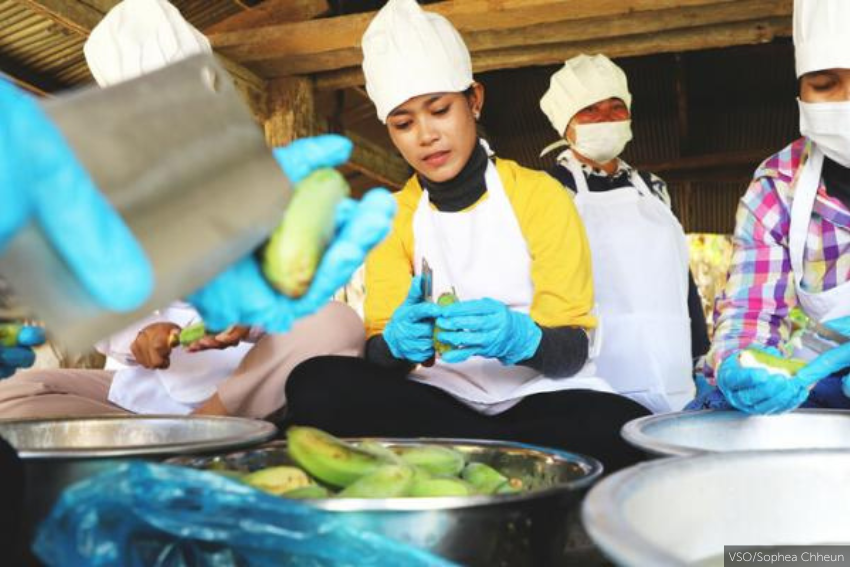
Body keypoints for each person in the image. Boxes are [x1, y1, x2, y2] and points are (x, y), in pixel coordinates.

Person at [282, 0, 649, 473]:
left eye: (439, 110)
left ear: (474, 100)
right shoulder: (394, 217)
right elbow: (377, 354)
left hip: (538, 401)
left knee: (624, 430)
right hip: (438, 401)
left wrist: (519, 339)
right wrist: (397, 345)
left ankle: (461, 456)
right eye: (404, 123)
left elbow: (572, 353)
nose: (426, 136)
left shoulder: (539, 195)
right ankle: (506, 459)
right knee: (315, 383)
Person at [0, 0, 388, 418]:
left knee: (336, 322)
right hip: (141, 392)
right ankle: (168, 436)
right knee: (16, 392)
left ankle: (208, 424)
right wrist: (138, 337)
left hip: (246, 379)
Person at [693, 0, 850, 414]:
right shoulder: (780, 186)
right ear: (800, 90)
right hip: (828, 382)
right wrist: (741, 361)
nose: (846, 101)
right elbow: (751, 311)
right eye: (825, 84)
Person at [538, 54, 709, 414]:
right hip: (596, 363)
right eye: (589, 110)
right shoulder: (547, 190)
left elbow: (682, 278)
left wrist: (699, 353)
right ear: (565, 124)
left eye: (615, 108)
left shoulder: (654, 187)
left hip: (670, 358)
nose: (605, 118)